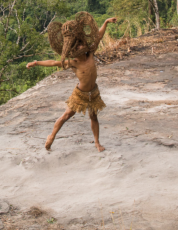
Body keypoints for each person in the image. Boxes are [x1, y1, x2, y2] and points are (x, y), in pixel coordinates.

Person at [26, 12, 117, 152]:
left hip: (94, 93)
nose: (81, 47)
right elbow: (53, 63)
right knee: (66, 115)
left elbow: (98, 36)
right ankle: (51, 136)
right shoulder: (73, 63)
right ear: (73, 50)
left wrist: (106, 22)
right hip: (80, 94)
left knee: (93, 116)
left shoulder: (90, 54)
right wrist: (36, 62)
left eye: (81, 44)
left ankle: (97, 143)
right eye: (78, 46)